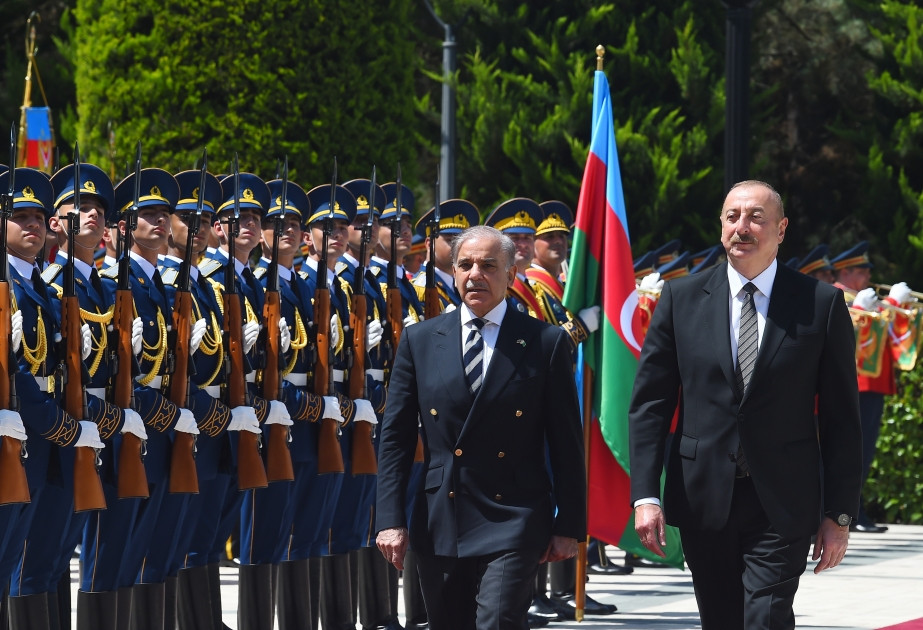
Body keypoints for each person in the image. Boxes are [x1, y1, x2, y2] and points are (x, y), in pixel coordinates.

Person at [629, 180, 862, 630]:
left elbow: (841, 420)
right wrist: (645, 495)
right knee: (721, 619)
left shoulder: (821, 304)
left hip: (783, 500)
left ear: (781, 229)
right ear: (721, 226)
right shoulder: (680, 300)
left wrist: (839, 513)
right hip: (702, 497)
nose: (742, 227)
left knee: (766, 616)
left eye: (756, 217)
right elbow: (650, 406)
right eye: (732, 217)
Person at [376, 225, 586, 630]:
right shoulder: (420, 340)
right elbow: (396, 439)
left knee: (499, 620)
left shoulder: (544, 341)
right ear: (453, 272)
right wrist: (389, 519)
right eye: (466, 265)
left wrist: (569, 526)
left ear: (511, 274)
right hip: (442, 513)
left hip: (515, 514)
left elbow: (566, 443)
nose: (476, 275)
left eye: (489, 266)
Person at [831, 241, 909, 534]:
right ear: (846, 272)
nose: (868, 277)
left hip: (873, 384)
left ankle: (854, 509)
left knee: (864, 453)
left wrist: (892, 309)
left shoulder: (860, 298)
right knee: (854, 452)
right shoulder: (837, 296)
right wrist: (882, 306)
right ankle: (849, 512)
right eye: (862, 271)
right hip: (856, 384)